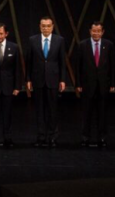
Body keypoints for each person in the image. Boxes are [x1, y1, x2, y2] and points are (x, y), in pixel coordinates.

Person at [25, 16, 67, 147]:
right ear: (40, 26)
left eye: (48, 26)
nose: (46, 28)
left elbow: (62, 62)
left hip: (53, 80)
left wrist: (62, 79)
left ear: (52, 27)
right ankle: (41, 136)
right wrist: (28, 79)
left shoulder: (59, 40)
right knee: (39, 110)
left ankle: (52, 137)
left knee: (52, 110)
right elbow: (29, 61)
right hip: (37, 79)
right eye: (43, 25)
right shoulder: (33, 40)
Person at [74, 21, 115, 148]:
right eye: (94, 31)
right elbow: (78, 66)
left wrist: (113, 83)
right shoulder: (82, 45)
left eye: (98, 31)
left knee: (102, 113)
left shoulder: (109, 45)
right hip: (87, 85)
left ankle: (102, 138)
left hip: (103, 85)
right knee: (86, 113)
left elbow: (113, 65)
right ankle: (85, 138)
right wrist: (78, 84)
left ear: (102, 32)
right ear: (90, 31)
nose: (96, 33)